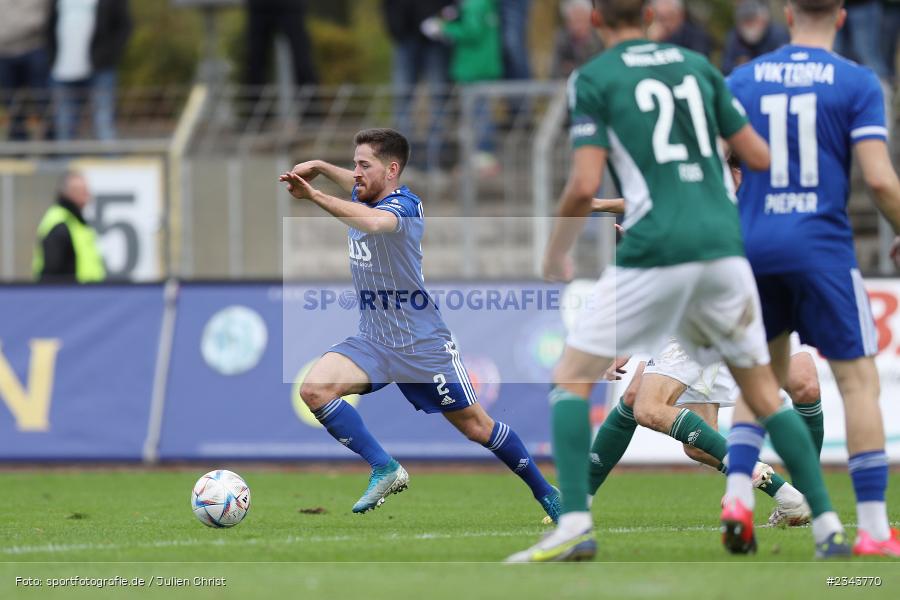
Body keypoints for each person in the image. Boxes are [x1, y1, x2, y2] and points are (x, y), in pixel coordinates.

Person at [507, 0, 845, 563]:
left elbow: (582, 181)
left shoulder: (594, 76)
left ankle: (573, 523)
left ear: (594, 21)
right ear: (648, 16)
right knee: (756, 397)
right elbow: (757, 154)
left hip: (662, 250)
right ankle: (826, 524)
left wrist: (557, 249)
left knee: (575, 380)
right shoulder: (697, 66)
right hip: (725, 250)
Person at [278, 128, 561, 521]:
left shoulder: (405, 207)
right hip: (375, 340)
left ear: (392, 170)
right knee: (315, 390)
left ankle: (549, 495)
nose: (355, 173)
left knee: (478, 428)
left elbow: (374, 224)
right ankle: (385, 468)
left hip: (422, 345)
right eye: (354, 164)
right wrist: (324, 168)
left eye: (364, 165)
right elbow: (358, 189)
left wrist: (315, 195)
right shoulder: (366, 192)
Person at [727, 0, 900, 556]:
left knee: (761, 380)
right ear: (843, 16)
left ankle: (736, 495)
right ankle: (873, 530)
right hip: (821, 248)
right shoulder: (855, 81)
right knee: (857, 383)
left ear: (787, 13)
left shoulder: (742, 78)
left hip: (753, 246)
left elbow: (712, 166)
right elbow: (879, 180)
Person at [421, 0, 504, 175]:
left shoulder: (474, 5)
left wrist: (443, 28)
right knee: (478, 115)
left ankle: (483, 158)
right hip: (481, 67)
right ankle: (478, 158)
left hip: (474, 68)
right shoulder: (482, 4)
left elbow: (472, 32)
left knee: (479, 116)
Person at [382, 0, 454, 171]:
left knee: (438, 99)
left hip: (437, 39)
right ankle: (400, 159)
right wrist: (395, 27)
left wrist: (444, 21)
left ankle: (436, 158)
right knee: (402, 98)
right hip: (404, 35)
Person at [47, 0, 132, 141]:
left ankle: (109, 160)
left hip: (100, 68)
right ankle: (65, 161)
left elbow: (124, 26)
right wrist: (51, 58)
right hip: (63, 70)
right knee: (64, 124)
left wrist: (107, 56)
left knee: (103, 121)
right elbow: (50, 28)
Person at [33, 170, 106, 283]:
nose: (88, 196)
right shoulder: (60, 224)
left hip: (83, 295)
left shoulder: (73, 220)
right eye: (84, 192)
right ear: (71, 193)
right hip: (71, 296)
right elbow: (52, 273)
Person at [0, 0, 52, 141]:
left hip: (33, 49)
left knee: (43, 100)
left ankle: (51, 146)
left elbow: (40, 20)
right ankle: (18, 146)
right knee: (11, 103)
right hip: (4, 54)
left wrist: (10, 29)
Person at [244, 0, 317, 89]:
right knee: (255, 60)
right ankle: (254, 99)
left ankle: (310, 98)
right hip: (259, 6)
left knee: (302, 59)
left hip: (290, 6)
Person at [722, 0, 790, 75]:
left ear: (763, 21)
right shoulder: (734, 37)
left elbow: (785, 65)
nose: (749, 27)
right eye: (745, 22)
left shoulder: (779, 36)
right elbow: (726, 68)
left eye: (752, 21)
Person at [551, 0, 605, 79]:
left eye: (581, 20)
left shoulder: (599, 40)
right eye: (574, 21)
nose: (578, 26)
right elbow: (554, 71)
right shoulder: (561, 40)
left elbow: (600, 69)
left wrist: (572, 68)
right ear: (567, 22)